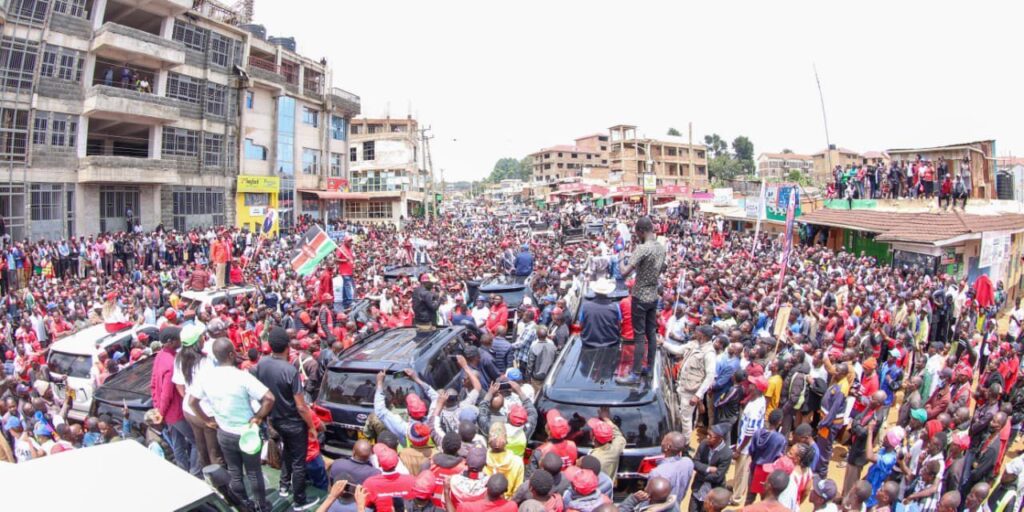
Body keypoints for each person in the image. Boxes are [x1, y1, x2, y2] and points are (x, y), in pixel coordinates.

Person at [188, 338, 276, 512]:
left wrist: (207, 420)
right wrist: (258, 418)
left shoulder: (206, 378)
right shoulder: (242, 376)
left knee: (235, 472)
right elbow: (269, 398)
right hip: (247, 433)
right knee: (253, 472)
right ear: (231, 354)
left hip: (224, 432)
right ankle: (260, 506)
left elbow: (192, 402)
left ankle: (243, 504)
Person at [254, 327, 321, 511]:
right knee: (298, 461)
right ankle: (300, 500)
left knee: (287, 452)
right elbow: (301, 406)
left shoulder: (262, 364)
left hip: (274, 420)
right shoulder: (290, 370)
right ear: (287, 346)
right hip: (294, 423)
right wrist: (312, 427)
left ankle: (284, 486)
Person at [616, 216, 666, 385]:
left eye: (637, 233)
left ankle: (635, 374)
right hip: (653, 296)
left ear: (641, 231)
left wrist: (621, 255)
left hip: (640, 296)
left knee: (639, 336)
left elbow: (624, 273)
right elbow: (661, 268)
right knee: (651, 334)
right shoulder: (661, 247)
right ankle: (649, 370)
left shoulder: (642, 248)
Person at [150, 325, 198, 475]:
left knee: (178, 444)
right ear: (170, 342)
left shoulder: (159, 356)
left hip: (166, 413)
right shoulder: (171, 363)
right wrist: (161, 414)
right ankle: (196, 473)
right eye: (178, 339)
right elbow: (167, 393)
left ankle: (183, 470)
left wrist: (158, 409)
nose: (181, 342)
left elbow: (153, 384)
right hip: (175, 412)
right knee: (197, 442)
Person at [663, 324, 717, 446]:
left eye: (697, 332)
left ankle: (684, 445)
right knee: (680, 416)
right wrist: (663, 343)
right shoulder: (694, 344)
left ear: (702, 335)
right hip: (681, 386)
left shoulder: (709, 353)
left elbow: (710, 377)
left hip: (691, 392)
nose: (695, 332)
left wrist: (697, 395)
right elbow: (678, 350)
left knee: (685, 420)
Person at [690, 424, 732, 512]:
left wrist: (700, 474)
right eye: (707, 434)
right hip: (698, 489)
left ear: (719, 438)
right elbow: (694, 462)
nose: (707, 437)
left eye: (711, 436)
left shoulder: (726, 453)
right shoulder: (704, 444)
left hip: (712, 496)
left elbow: (718, 476)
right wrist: (708, 469)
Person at [363, 443, 416, 512]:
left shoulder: (370, 483)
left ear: (379, 463)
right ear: (397, 462)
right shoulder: (411, 480)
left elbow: (365, 504)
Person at [650, 431, 694, 504]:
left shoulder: (656, 473)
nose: (662, 442)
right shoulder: (688, 462)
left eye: (664, 439)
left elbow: (650, 499)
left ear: (668, 447)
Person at [578, 278, 621, 348]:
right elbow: (619, 325)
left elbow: (581, 325)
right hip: (611, 344)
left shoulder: (585, 306)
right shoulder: (615, 307)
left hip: (588, 344)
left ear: (595, 292)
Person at [587, 408, 627, 481]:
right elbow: (619, 436)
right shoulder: (614, 450)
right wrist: (607, 419)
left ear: (593, 438)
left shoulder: (591, 460)